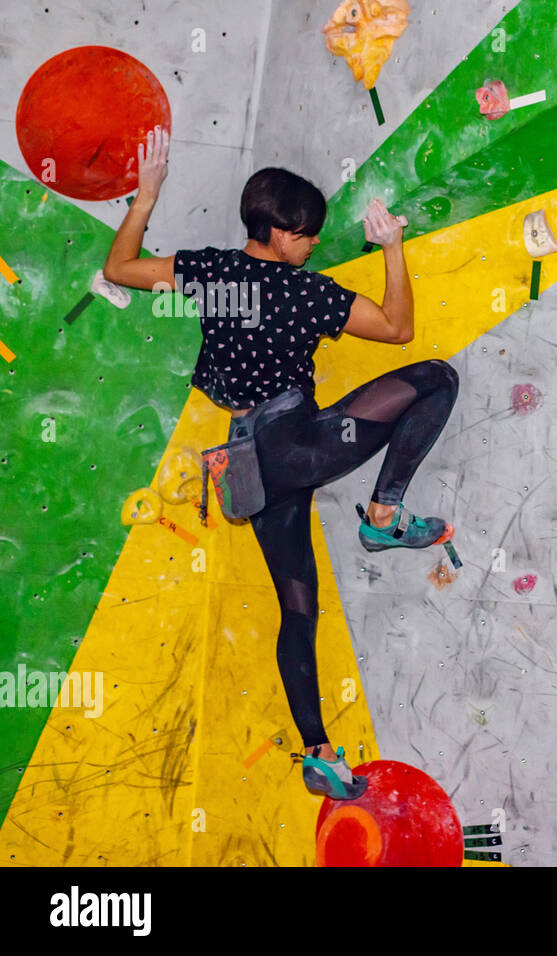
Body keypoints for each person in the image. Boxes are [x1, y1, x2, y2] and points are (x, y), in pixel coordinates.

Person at [103, 126, 460, 800]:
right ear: (273, 230)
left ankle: (319, 753)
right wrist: (392, 248)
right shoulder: (303, 292)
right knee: (436, 377)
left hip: (244, 467)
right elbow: (397, 328)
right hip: (290, 442)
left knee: (299, 611)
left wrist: (145, 199)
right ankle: (383, 513)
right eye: (305, 234)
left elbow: (121, 269)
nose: (313, 243)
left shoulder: (210, 271)